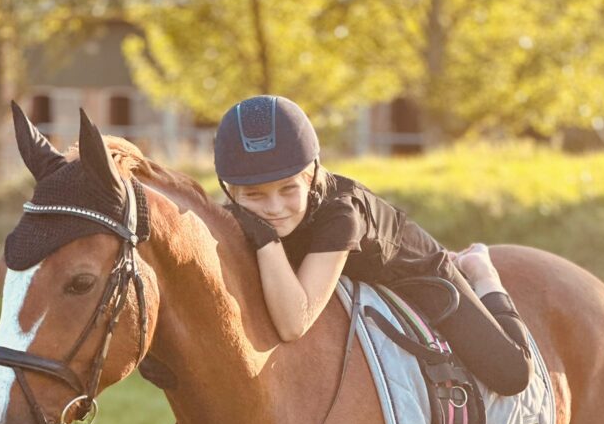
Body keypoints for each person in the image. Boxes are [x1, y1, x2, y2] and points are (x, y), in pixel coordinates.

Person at [214, 95, 532, 396]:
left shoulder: (341, 214)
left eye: (287, 189)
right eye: (255, 195)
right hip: (346, 273)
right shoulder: (239, 213)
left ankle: (481, 271)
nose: (273, 208)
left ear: (310, 177)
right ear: (231, 191)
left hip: (415, 273)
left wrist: (265, 237)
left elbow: (294, 323)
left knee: (511, 374)